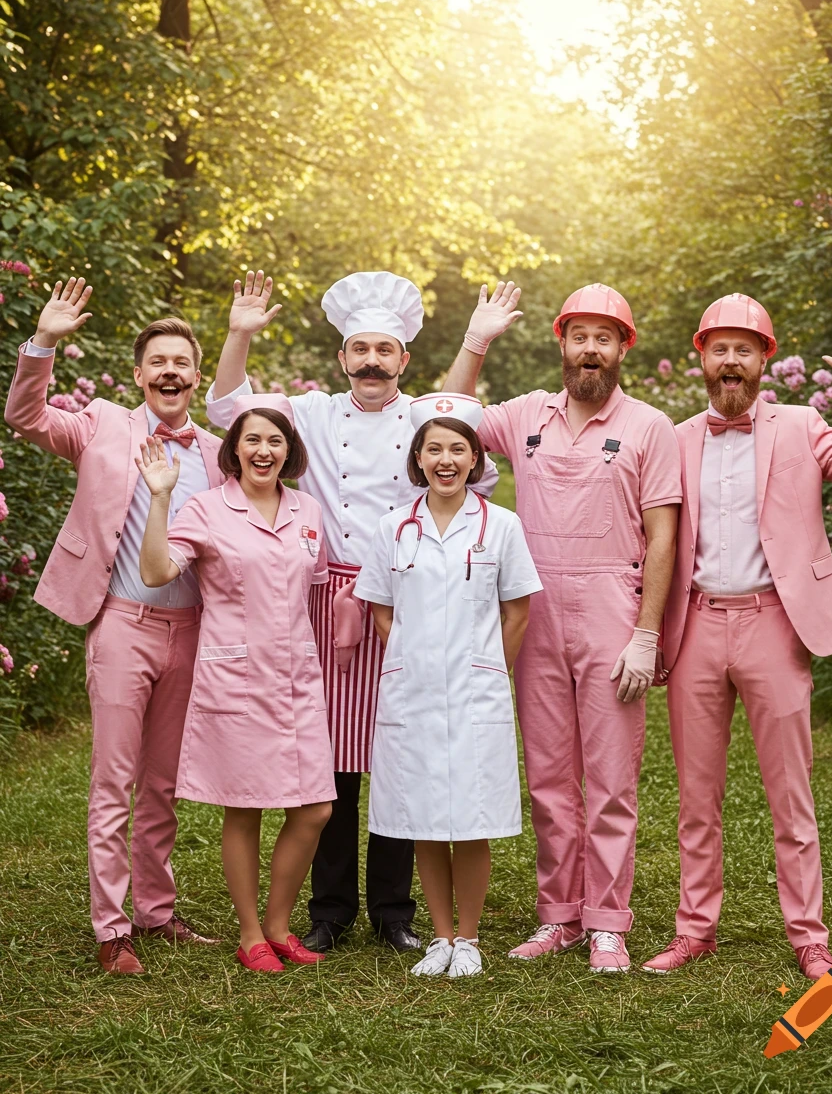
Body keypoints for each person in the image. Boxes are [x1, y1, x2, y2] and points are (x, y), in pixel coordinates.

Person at [206, 269, 499, 952]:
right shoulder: (308, 413)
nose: (371, 361)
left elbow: (467, 433)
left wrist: (475, 343)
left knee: (397, 750)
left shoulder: (425, 420)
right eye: (360, 349)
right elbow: (228, 409)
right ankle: (330, 908)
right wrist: (239, 335)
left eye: (384, 351)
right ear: (342, 358)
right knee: (329, 758)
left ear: (404, 360)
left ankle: (394, 913)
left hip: (403, 600)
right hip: (323, 602)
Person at [643, 296, 832, 980]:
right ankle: (695, 930)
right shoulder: (675, 436)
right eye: (719, 349)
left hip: (775, 626)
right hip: (695, 627)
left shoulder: (803, 425)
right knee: (697, 797)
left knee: (792, 793)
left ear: (763, 360)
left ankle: (809, 936)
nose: (731, 361)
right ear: (701, 357)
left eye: (744, 349)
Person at [442, 282, 681, 972]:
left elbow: (662, 537)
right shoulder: (526, 416)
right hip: (534, 605)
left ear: (623, 349)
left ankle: (608, 921)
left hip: (612, 603)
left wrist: (646, 633)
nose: (591, 349)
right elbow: (447, 418)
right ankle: (560, 915)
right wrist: (476, 341)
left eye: (605, 338)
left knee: (610, 778)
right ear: (562, 343)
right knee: (548, 773)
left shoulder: (648, 427)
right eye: (580, 335)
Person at [4, 278, 221, 974]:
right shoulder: (100, 424)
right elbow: (26, 418)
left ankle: (157, 912)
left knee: (162, 783)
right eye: (157, 361)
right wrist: (43, 342)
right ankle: (111, 926)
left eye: (180, 362)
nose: (168, 371)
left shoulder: (218, 455)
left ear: (197, 375)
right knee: (114, 781)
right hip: (122, 626)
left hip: (190, 631)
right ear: (138, 373)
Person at [136, 393, 335, 973]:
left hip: (298, 676)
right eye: (252, 439)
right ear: (234, 449)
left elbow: (312, 588)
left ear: (289, 451)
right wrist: (159, 496)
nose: (263, 449)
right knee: (244, 809)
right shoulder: (205, 508)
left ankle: (280, 923)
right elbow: (154, 572)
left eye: (275, 440)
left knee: (316, 806)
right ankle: (252, 933)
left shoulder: (308, 512)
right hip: (237, 677)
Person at [355, 394, 543, 978]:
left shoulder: (501, 525)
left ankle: (470, 938)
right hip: (411, 691)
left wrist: (490, 667)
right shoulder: (393, 527)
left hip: (475, 690)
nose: (445, 459)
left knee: (473, 815)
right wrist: (410, 651)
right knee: (425, 818)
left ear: (474, 459)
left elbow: (517, 612)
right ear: (417, 458)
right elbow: (382, 608)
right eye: (433, 448)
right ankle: (439, 937)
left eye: (456, 449)